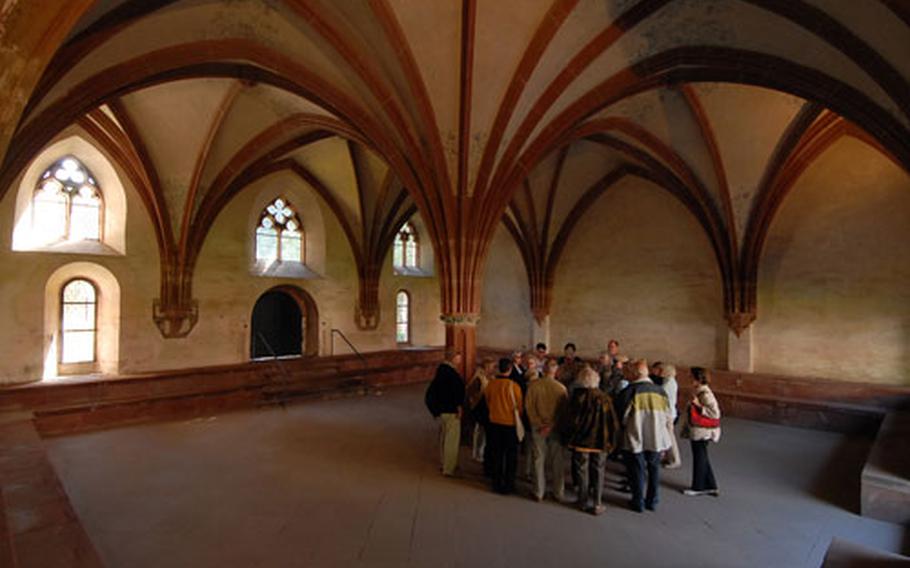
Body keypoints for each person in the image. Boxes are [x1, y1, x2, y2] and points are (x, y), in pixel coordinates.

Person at [559, 366, 619, 515]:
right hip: (600, 441)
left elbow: (571, 420)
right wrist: (612, 440)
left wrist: (567, 436)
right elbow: (612, 422)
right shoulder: (605, 398)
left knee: (581, 471)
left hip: (581, 441)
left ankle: (582, 500)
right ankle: (598, 502)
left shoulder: (578, 397)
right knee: (599, 471)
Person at [615, 359, 673, 512]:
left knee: (636, 468)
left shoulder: (629, 392)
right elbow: (669, 415)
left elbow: (621, 417)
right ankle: (653, 500)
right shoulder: (660, 391)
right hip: (656, 437)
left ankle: (638, 501)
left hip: (636, 436)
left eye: (627, 372)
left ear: (634, 374)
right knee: (654, 468)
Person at [525, 358, 568, 503]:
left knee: (538, 458)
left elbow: (529, 408)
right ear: (556, 371)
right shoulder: (561, 388)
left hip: (538, 428)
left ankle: (538, 492)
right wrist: (551, 425)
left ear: (543, 370)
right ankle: (558, 492)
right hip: (556, 428)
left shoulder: (533, 386)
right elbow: (563, 412)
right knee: (557, 460)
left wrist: (539, 424)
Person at [484, 358, 524, 494]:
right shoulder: (514, 387)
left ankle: (496, 483)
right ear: (510, 369)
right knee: (511, 456)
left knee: (497, 454)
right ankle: (509, 484)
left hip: (494, 423)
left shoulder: (491, 385)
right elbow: (519, 407)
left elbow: (487, 401)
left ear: (498, 369)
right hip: (510, 425)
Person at [424, 350, 465, 477]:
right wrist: (458, 406)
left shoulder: (442, 371)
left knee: (444, 437)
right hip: (450, 410)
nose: (460, 360)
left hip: (442, 410)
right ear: (452, 358)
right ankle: (449, 468)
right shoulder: (451, 373)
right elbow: (455, 392)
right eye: (458, 358)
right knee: (451, 440)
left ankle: (444, 463)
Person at [682, 366, 721, 496]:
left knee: (699, 458)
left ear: (698, 379)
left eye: (691, 376)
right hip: (700, 430)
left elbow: (715, 413)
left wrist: (699, 406)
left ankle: (698, 487)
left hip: (702, 431)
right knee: (702, 457)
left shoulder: (705, 394)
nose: (689, 378)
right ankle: (711, 485)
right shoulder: (699, 391)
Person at [466, 357, 496, 465]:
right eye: (492, 366)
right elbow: (470, 392)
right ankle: (476, 453)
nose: (494, 368)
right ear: (487, 366)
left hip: (486, 407)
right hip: (478, 407)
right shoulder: (479, 378)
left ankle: (481, 452)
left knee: (484, 433)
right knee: (478, 432)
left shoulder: (490, 377)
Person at [659, 364, 682, 469]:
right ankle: (668, 457)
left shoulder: (669, 383)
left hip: (668, 413)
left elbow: (661, 395)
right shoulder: (669, 381)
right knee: (667, 435)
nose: (660, 372)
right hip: (669, 412)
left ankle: (675, 459)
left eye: (662, 370)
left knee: (670, 437)